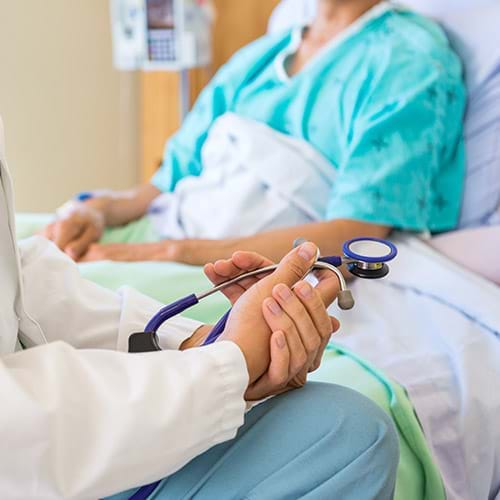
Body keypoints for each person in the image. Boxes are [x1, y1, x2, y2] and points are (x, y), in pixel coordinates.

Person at [0, 119, 398, 498]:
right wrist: (226, 366)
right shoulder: (253, 68)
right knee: (353, 438)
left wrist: (200, 343)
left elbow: (14, 281)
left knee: (345, 423)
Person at [41, 0, 466, 265]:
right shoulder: (259, 58)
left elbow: (355, 233)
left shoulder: (411, 61)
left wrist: (168, 255)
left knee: (42, 301)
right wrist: (96, 210)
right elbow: (164, 184)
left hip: (234, 269)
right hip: (165, 230)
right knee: (24, 252)